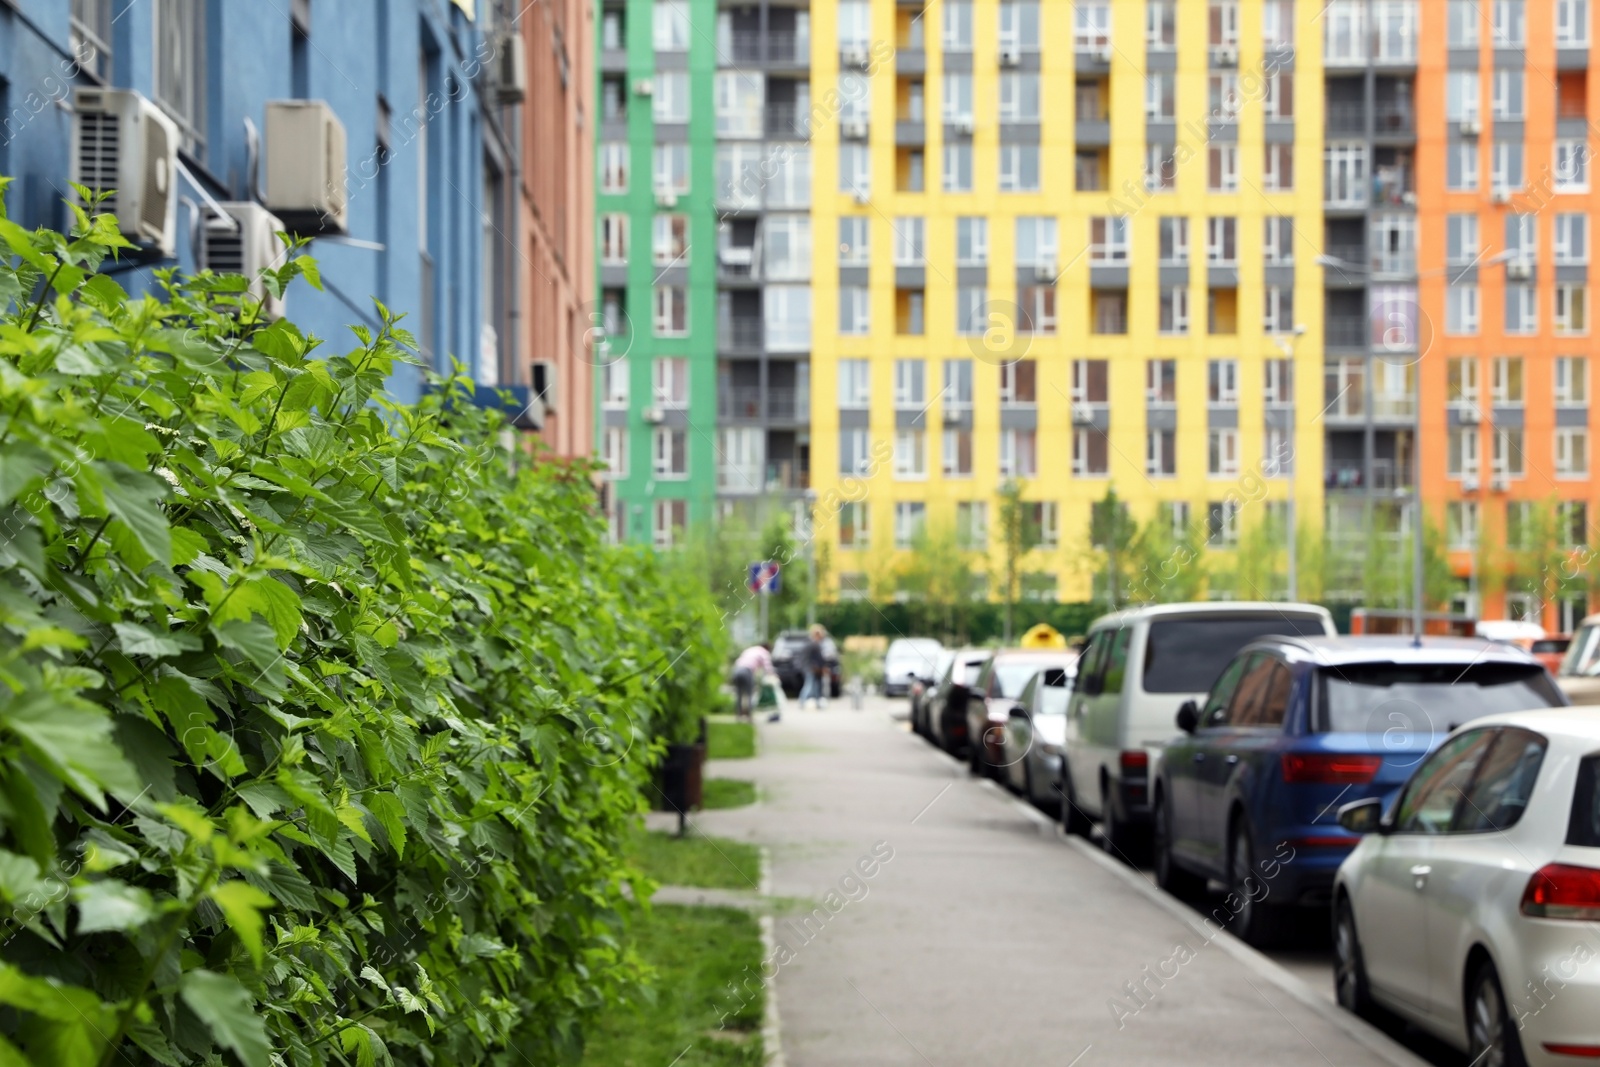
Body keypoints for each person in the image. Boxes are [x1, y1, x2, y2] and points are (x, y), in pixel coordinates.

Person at [731, 642, 772, 721]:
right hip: (747, 671)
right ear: (767, 648)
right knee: (750, 694)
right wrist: (772, 674)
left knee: (739, 694)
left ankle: (738, 716)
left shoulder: (750, 650)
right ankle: (749, 717)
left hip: (736, 670)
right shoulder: (763, 652)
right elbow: (767, 666)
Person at [797, 624, 829, 710]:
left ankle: (817, 702)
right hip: (811, 668)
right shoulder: (814, 644)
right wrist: (823, 667)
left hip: (808, 667)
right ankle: (802, 702)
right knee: (809, 685)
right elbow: (819, 658)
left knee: (815, 686)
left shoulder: (807, 642)